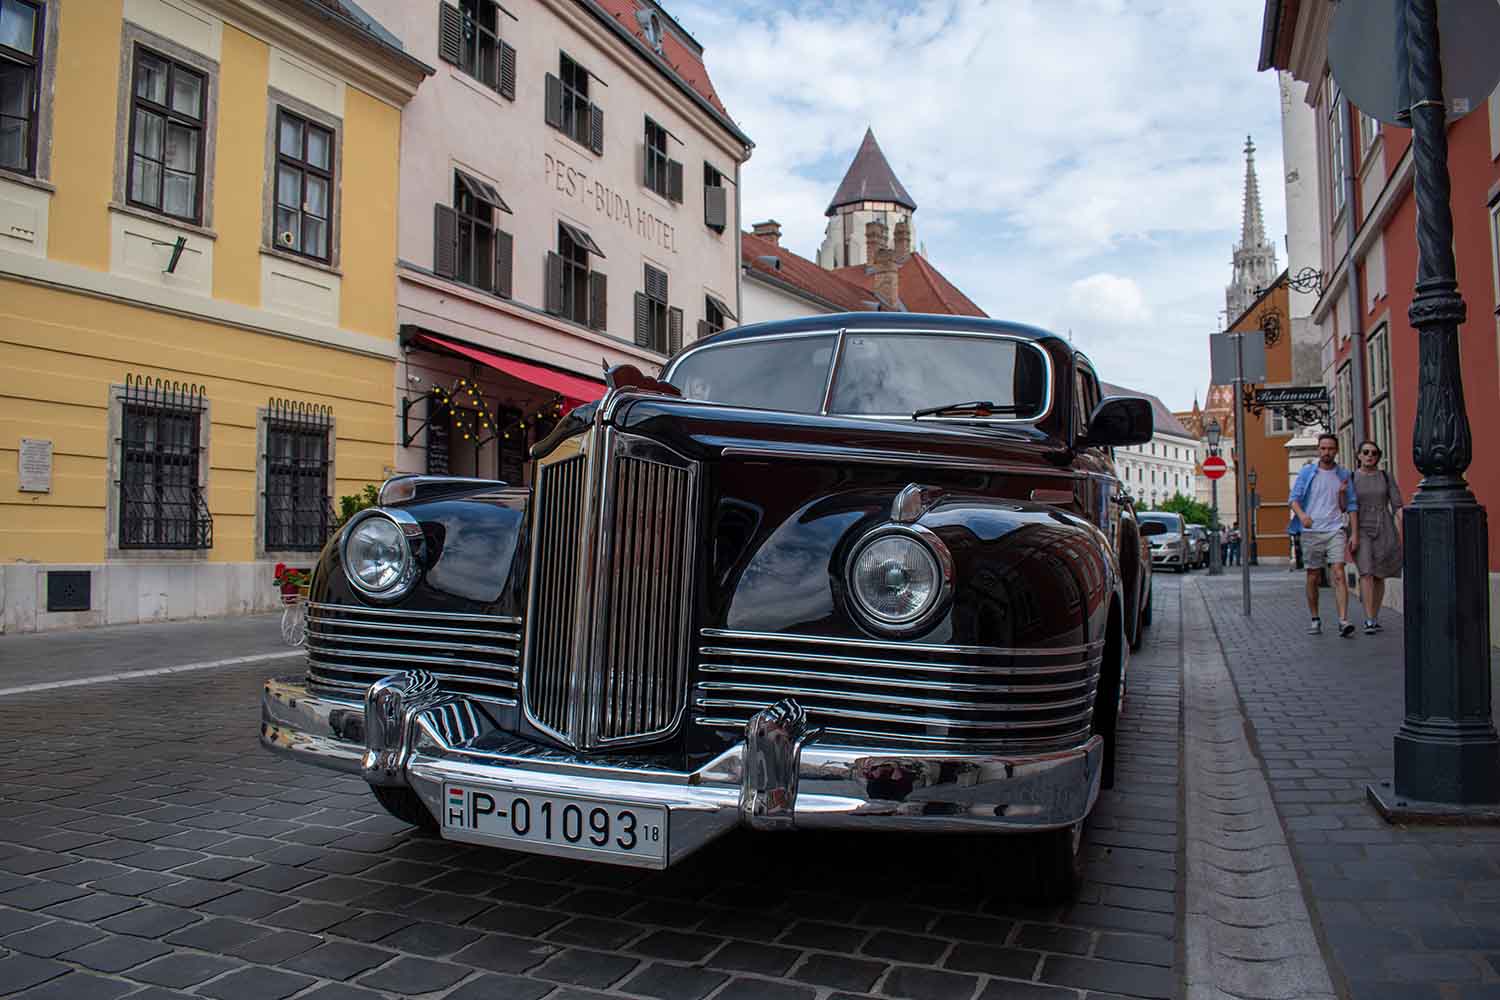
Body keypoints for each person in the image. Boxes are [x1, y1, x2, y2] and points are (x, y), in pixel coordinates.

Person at [1289, 433, 1359, 637]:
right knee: (1313, 576)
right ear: (1318, 450)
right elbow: (1293, 499)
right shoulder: (1307, 473)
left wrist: (1354, 533)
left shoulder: (1344, 475)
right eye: (1323, 448)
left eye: (1330, 449)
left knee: (1338, 572)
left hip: (1335, 529)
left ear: (1336, 450)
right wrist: (1302, 516)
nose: (1327, 452)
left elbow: (1351, 506)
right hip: (1311, 530)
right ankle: (1315, 618)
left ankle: (1343, 621)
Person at [1352, 441, 1404, 634]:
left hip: (1384, 526)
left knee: (1379, 574)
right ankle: (1368, 619)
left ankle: (1374, 615)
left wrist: (1404, 525)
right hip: (1361, 527)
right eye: (1365, 452)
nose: (1369, 455)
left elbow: (1397, 504)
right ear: (1359, 456)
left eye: (1374, 453)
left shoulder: (1385, 476)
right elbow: (1345, 506)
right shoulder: (1351, 478)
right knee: (1366, 572)